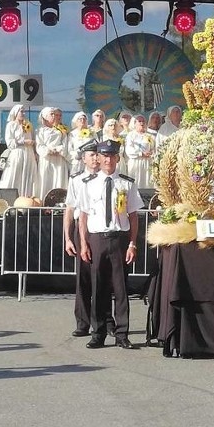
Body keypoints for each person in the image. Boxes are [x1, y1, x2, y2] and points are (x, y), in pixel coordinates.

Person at [78, 139, 144, 349]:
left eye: (111, 155)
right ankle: (98, 333)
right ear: (98, 157)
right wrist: (83, 243)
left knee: (121, 288)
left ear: (117, 157)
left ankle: (122, 333)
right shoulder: (89, 183)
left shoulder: (127, 183)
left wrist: (132, 243)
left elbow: (133, 216)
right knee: (98, 287)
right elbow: (83, 217)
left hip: (119, 238)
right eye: (104, 156)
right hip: (97, 238)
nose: (107, 159)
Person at [63, 140, 115, 338]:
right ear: (83, 158)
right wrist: (68, 238)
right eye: (91, 155)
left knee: (104, 278)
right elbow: (70, 210)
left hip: (101, 229)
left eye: (97, 154)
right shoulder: (77, 179)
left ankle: (107, 321)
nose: (95, 158)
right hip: (82, 230)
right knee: (84, 278)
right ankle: (83, 322)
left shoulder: (107, 177)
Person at [0, 104, 38, 197]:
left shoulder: (28, 124)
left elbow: (32, 137)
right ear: (16, 112)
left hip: (28, 153)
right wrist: (23, 141)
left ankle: (26, 197)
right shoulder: (11, 125)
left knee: (28, 174)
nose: (23, 113)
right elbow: (10, 142)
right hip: (18, 153)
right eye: (21, 111)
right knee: (15, 174)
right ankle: (9, 197)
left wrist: (33, 147)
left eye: (24, 111)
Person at [36, 107, 69, 199]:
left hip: (58, 159)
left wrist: (59, 149)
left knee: (58, 179)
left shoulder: (60, 130)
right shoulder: (40, 130)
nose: (54, 116)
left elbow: (65, 143)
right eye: (51, 114)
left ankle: (58, 202)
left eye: (54, 114)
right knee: (46, 180)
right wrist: (48, 150)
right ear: (45, 117)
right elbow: (39, 145)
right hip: (47, 159)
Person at [125, 114, 155, 188]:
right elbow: (128, 150)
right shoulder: (131, 135)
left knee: (147, 182)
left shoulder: (150, 136)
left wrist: (151, 153)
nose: (142, 123)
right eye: (139, 121)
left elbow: (154, 148)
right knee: (135, 183)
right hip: (135, 163)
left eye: (143, 121)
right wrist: (140, 153)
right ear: (134, 123)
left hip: (147, 162)